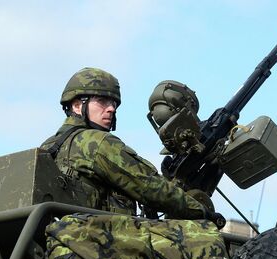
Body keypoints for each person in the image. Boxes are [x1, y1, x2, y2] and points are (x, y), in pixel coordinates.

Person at [40, 67, 220, 223]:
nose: (111, 108)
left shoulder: (48, 146)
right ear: (78, 105)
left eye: (113, 103)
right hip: (102, 243)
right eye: (102, 101)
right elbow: (151, 187)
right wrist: (204, 213)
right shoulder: (97, 142)